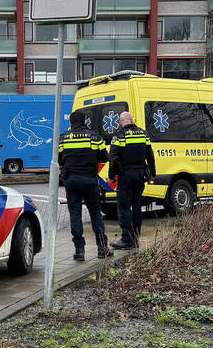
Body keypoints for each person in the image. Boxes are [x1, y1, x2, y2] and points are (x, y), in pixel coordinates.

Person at [58, 112, 113, 261]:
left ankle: (79, 251)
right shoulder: (94, 136)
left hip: (71, 181)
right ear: (84, 121)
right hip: (89, 180)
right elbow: (104, 157)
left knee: (75, 214)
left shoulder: (64, 138)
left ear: (71, 122)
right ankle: (102, 249)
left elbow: (59, 159)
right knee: (95, 213)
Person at [108, 111, 156, 250]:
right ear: (132, 120)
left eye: (119, 122)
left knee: (123, 207)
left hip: (126, 175)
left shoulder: (119, 136)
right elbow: (150, 155)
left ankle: (126, 240)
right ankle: (135, 238)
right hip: (140, 175)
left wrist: (111, 176)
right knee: (136, 207)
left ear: (122, 121)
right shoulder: (143, 134)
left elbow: (114, 158)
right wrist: (152, 173)